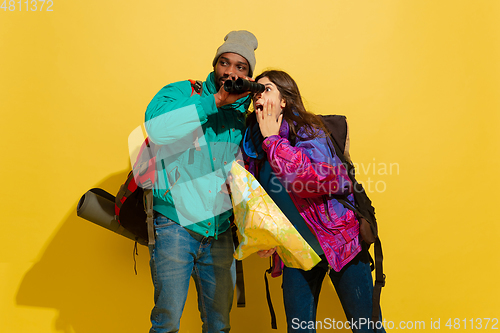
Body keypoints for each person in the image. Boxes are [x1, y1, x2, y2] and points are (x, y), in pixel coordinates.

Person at [242, 70, 385, 333]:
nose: (259, 95)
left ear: (284, 100)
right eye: (256, 91)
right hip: (296, 253)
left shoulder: (310, 132)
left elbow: (310, 180)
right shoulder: (251, 144)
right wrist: (264, 236)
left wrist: (274, 140)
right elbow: (254, 198)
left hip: (341, 243)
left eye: (267, 89)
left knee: (368, 328)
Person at [143, 30, 258, 333]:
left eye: (240, 67)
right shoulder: (182, 93)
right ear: (215, 65)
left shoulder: (244, 117)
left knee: (219, 325)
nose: (230, 72)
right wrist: (216, 101)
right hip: (175, 225)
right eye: (224, 62)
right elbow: (157, 130)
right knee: (166, 322)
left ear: (248, 76)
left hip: (220, 231)